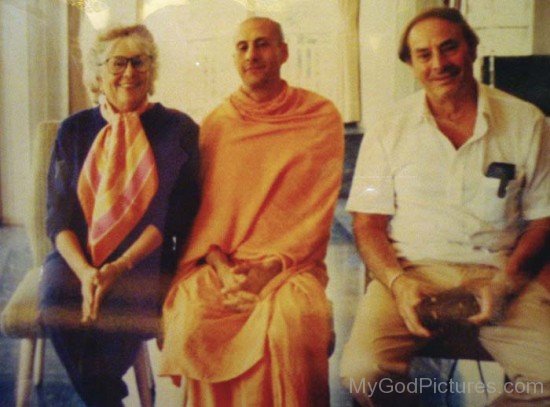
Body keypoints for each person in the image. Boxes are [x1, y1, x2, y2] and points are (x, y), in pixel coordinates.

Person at [340, 7, 550, 407]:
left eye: (449, 48)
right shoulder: (389, 126)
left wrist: (506, 284)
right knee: (363, 372)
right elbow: (367, 223)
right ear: (411, 64)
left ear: (471, 50)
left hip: (499, 271)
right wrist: (399, 284)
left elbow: (543, 221)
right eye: (424, 54)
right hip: (411, 272)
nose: (438, 64)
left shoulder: (528, 123)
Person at [160, 17, 344, 406]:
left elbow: (316, 214)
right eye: (242, 47)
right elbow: (208, 217)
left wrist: (270, 269)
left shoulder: (319, 116)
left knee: (290, 325)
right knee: (194, 321)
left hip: (292, 264)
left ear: (283, 52)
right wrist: (224, 269)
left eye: (262, 44)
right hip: (223, 264)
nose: (252, 55)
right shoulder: (217, 124)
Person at [39, 24, 199, 406]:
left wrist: (118, 266)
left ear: (152, 70)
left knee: (122, 303)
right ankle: (107, 397)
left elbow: (175, 218)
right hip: (80, 255)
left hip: (145, 258)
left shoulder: (179, 128)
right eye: (117, 63)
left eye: (139, 62)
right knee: (57, 296)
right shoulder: (73, 130)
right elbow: (57, 218)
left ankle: (100, 397)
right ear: (98, 73)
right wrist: (86, 272)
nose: (129, 73)